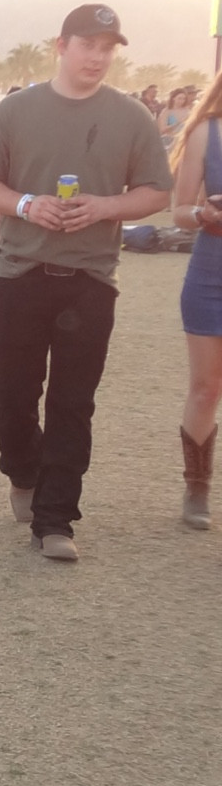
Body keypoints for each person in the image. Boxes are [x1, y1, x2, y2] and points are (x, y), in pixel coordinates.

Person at [0, 4, 172, 562]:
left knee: (72, 402)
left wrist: (106, 206)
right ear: (61, 46)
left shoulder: (131, 116)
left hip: (91, 279)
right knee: (14, 392)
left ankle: (55, 519)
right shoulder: (17, 109)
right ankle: (23, 471)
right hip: (21, 273)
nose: (97, 57)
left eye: (107, 48)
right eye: (87, 45)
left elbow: (157, 191)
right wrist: (27, 205)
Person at [168, 68, 222, 528]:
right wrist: (203, 213)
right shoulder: (207, 131)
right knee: (206, 387)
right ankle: (197, 488)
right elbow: (179, 211)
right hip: (211, 274)